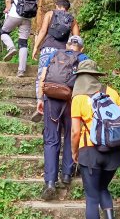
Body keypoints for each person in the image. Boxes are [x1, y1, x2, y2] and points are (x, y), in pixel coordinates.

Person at [71, 60, 120, 219]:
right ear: (96, 75)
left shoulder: (78, 98)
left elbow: (75, 132)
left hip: (90, 153)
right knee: (103, 187)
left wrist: (74, 153)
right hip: (113, 152)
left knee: (91, 196)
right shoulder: (110, 92)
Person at [36, 36, 88, 200]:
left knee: (51, 139)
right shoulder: (83, 58)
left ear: (67, 45)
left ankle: (50, 182)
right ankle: (66, 173)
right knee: (71, 134)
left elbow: (43, 77)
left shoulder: (55, 54)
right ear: (81, 48)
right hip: (72, 99)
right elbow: (87, 83)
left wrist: (40, 98)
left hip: (51, 97)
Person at [31, 0, 80, 121]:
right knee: (60, 76)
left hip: (47, 49)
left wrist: (36, 47)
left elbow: (43, 31)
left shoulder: (50, 14)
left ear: (57, 5)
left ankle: (40, 101)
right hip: (62, 52)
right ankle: (59, 103)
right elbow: (76, 38)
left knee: (42, 76)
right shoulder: (72, 19)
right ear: (67, 8)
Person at [0, 0, 37, 76]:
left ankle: (11, 48)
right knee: (23, 42)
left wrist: (7, 9)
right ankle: (21, 70)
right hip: (27, 17)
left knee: (4, 32)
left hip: (14, 15)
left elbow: (8, 0)